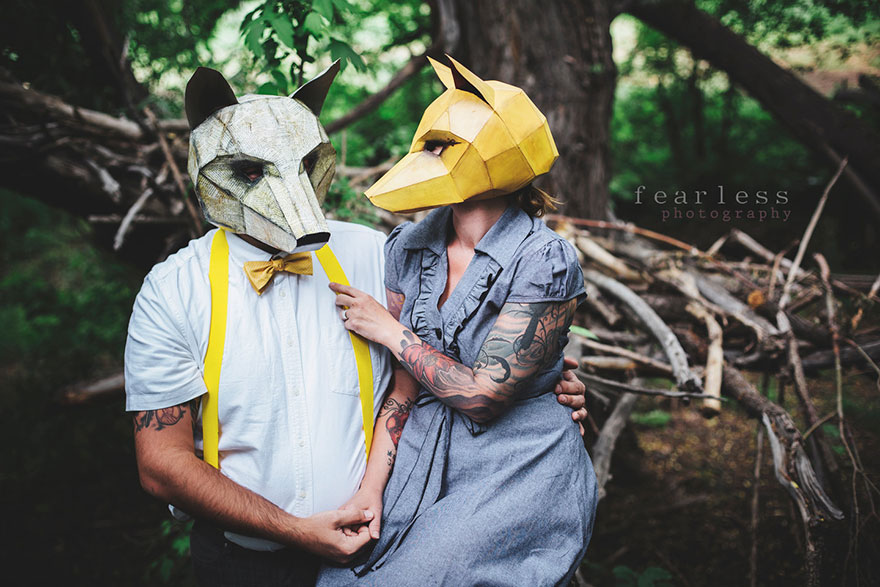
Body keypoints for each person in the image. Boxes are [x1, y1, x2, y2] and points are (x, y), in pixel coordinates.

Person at [124, 60, 589, 587]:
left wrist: (548, 381)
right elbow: (160, 464)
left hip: (388, 529)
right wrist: (297, 529)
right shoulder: (173, 290)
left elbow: (450, 363)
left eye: (304, 166)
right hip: (244, 560)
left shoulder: (373, 253)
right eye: (252, 171)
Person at [316, 56, 598, 586]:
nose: (428, 157)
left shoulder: (545, 259)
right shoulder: (407, 245)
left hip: (517, 466)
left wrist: (391, 332)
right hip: (419, 456)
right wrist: (371, 490)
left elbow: (485, 398)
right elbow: (403, 389)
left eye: (442, 145)